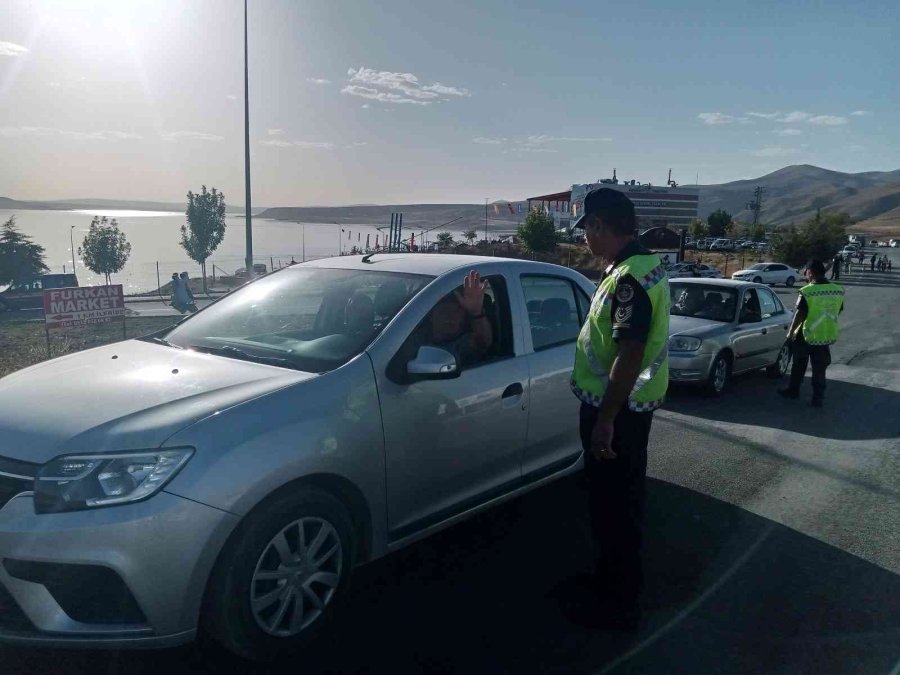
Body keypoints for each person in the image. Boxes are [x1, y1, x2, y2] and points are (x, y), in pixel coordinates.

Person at [567, 188, 669, 630]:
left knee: (615, 508)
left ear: (598, 226)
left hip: (618, 412)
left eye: (587, 230)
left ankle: (619, 603)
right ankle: (610, 583)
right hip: (626, 408)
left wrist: (606, 419)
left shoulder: (629, 278)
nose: (585, 240)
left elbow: (630, 351)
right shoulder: (641, 268)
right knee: (616, 504)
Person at [778, 259, 844, 407]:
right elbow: (837, 310)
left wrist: (790, 335)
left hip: (806, 334)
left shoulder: (808, 291)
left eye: (806, 272)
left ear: (811, 272)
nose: (804, 274)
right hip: (825, 336)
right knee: (820, 368)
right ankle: (818, 398)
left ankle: (793, 391)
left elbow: (799, 315)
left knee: (799, 364)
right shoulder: (837, 290)